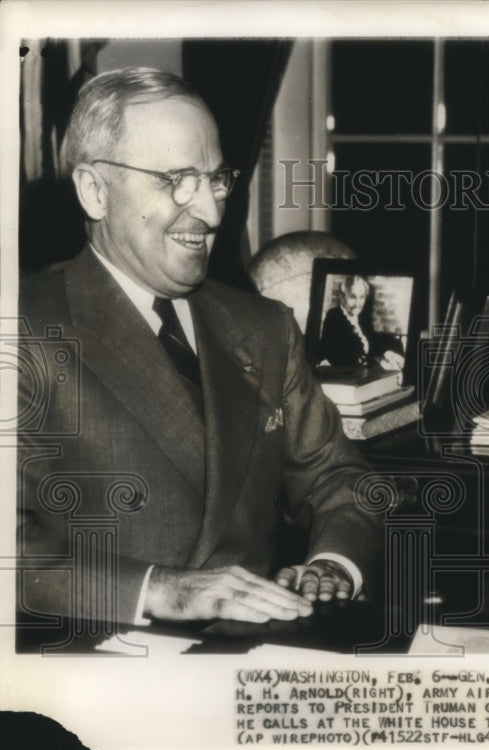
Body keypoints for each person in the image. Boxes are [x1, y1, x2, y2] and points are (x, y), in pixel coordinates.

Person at [17, 67, 383, 629]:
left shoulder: (264, 328)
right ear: (95, 190)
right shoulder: (23, 329)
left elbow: (342, 480)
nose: (212, 213)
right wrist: (156, 589)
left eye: (216, 180)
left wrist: (331, 564)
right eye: (177, 180)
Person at [317, 274, 405, 371]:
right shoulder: (334, 316)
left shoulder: (361, 318)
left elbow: (372, 340)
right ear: (342, 297)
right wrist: (375, 362)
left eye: (362, 297)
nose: (358, 304)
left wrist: (389, 352)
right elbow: (344, 354)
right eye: (353, 297)